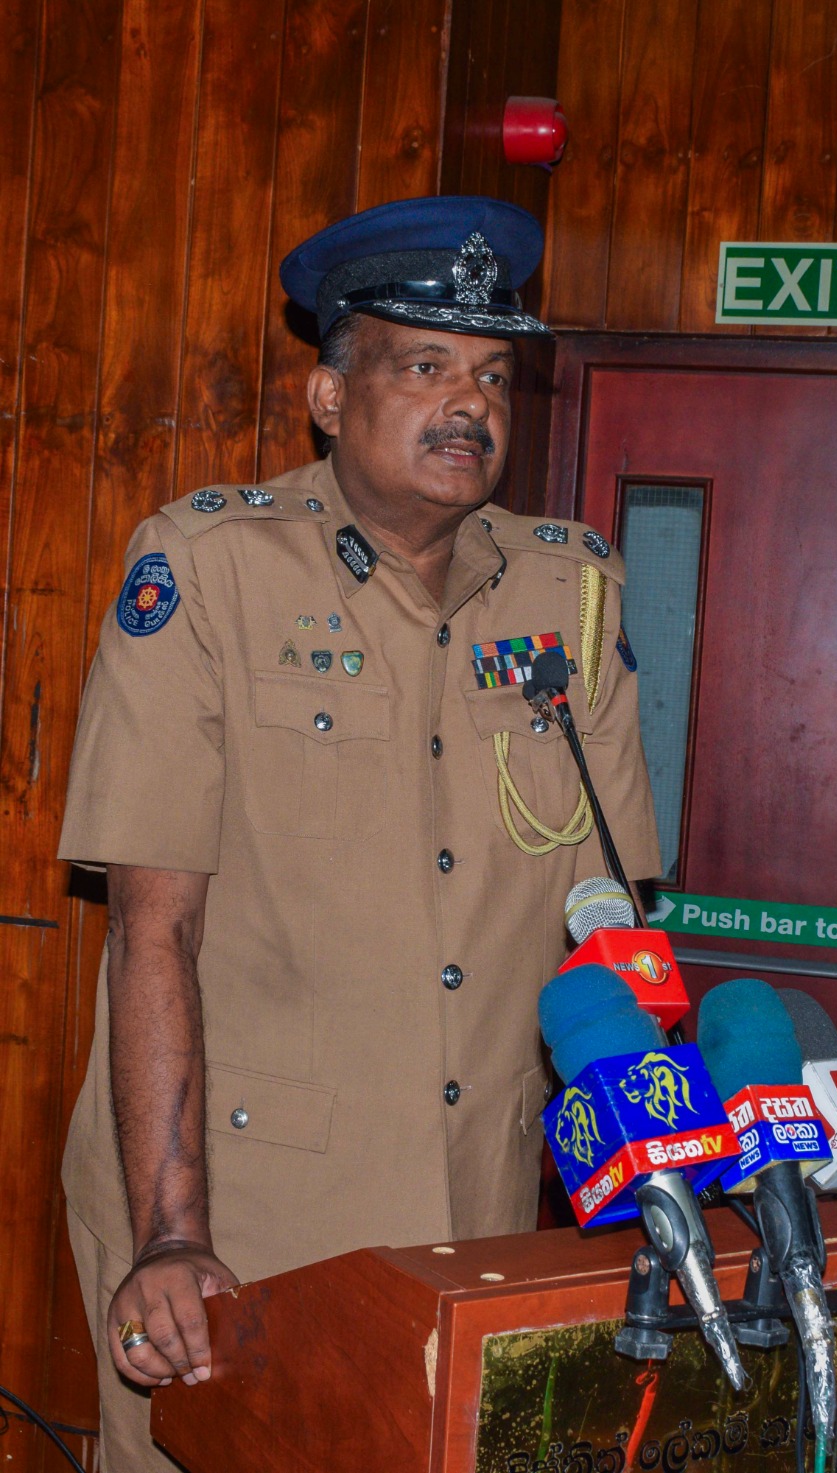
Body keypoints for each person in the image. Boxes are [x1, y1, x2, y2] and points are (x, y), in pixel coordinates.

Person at [56, 196, 660, 1472]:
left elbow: (610, 936)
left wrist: (654, 1187)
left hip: (481, 1211)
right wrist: (172, 1232)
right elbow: (154, 930)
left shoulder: (572, 591)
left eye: (492, 375)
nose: (469, 404)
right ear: (330, 398)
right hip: (245, 1213)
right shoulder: (209, 568)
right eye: (425, 366)